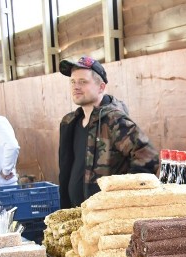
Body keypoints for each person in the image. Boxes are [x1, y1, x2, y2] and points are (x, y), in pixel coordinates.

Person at [57, 55, 158, 208]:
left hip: (106, 216)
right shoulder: (69, 122)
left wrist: (122, 196)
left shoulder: (114, 120)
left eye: (83, 82)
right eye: (73, 81)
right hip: (76, 215)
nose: (75, 86)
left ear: (101, 87)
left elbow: (148, 156)